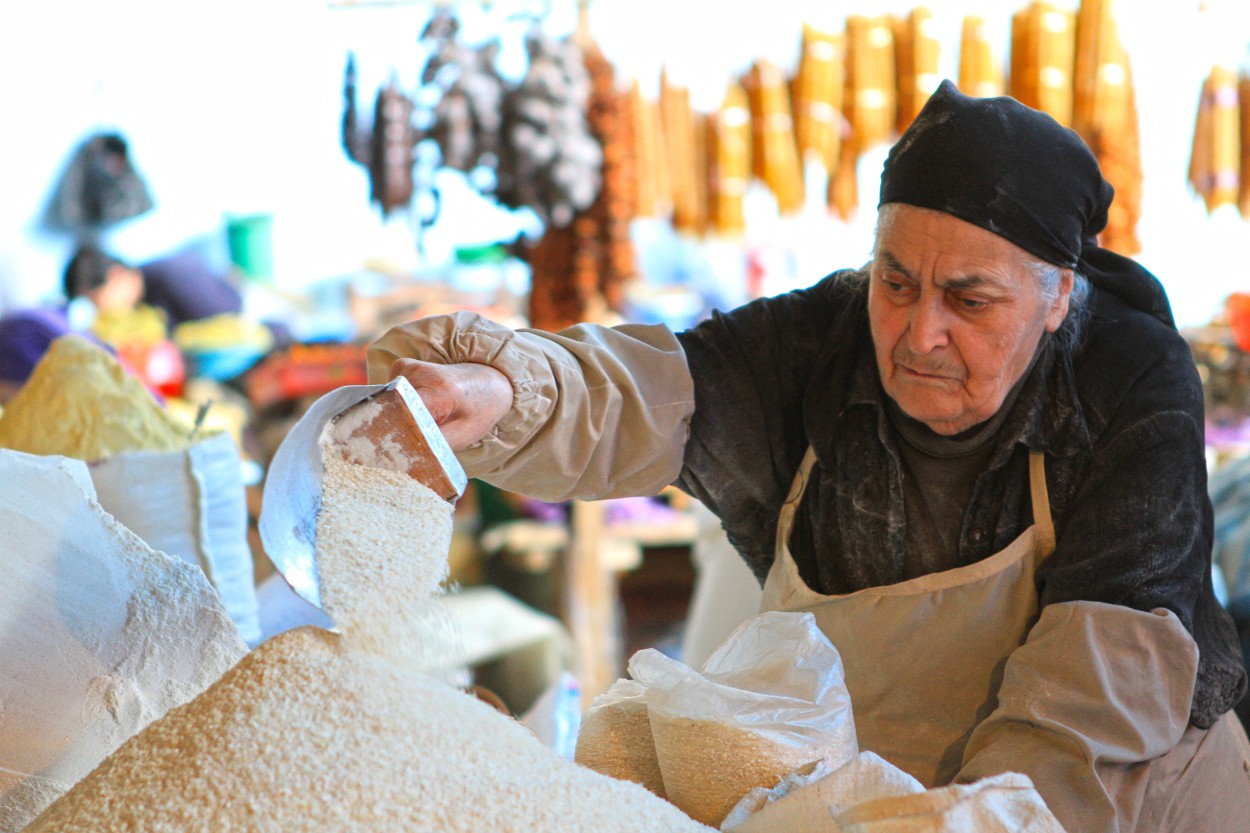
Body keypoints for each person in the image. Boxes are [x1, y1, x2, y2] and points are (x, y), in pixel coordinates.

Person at [366, 81, 1250, 831]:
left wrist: (976, 817)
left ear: (1058, 298)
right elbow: (641, 394)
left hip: (1116, 801)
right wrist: (504, 394)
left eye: (968, 300)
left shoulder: (1129, 377)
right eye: (895, 282)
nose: (919, 332)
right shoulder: (818, 341)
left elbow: (1095, 689)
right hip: (894, 800)